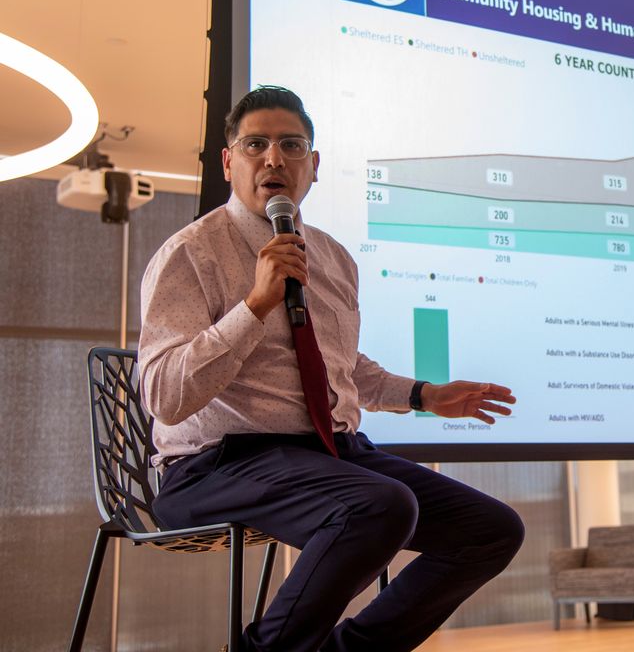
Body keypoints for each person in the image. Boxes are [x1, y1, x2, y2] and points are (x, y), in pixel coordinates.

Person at [139, 85, 524, 651]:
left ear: (313, 166)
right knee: (381, 506)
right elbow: (164, 395)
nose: (274, 158)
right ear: (229, 162)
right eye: (256, 144)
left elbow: (341, 369)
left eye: (292, 146)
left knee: (491, 531)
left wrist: (423, 395)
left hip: (328, 454)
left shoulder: (334, 257)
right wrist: (255, 306)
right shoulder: (190, 253)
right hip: (214, 464)